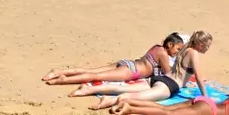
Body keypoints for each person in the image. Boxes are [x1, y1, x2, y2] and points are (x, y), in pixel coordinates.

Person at [78, 32, 216, 111]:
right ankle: (109, 100)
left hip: (159, 78)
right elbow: (198, 76)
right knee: (137, 97)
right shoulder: (194, 53)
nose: (208, 49)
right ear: (199, 44)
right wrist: (206, 97)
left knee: (123, 88)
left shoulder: (184, 48)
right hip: (168, 85)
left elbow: (181, 69)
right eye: (207, 45)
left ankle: (88, 89)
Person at [43, 33, 183, 87]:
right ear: (170, 45)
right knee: (94, 76)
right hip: (131, 71)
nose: (177, 53)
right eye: (177, 49)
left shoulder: (157, 47)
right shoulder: (164, 54)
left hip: (128, 63)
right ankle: (61, 80)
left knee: (90, 71)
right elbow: (169, 73)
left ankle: (57, 72)